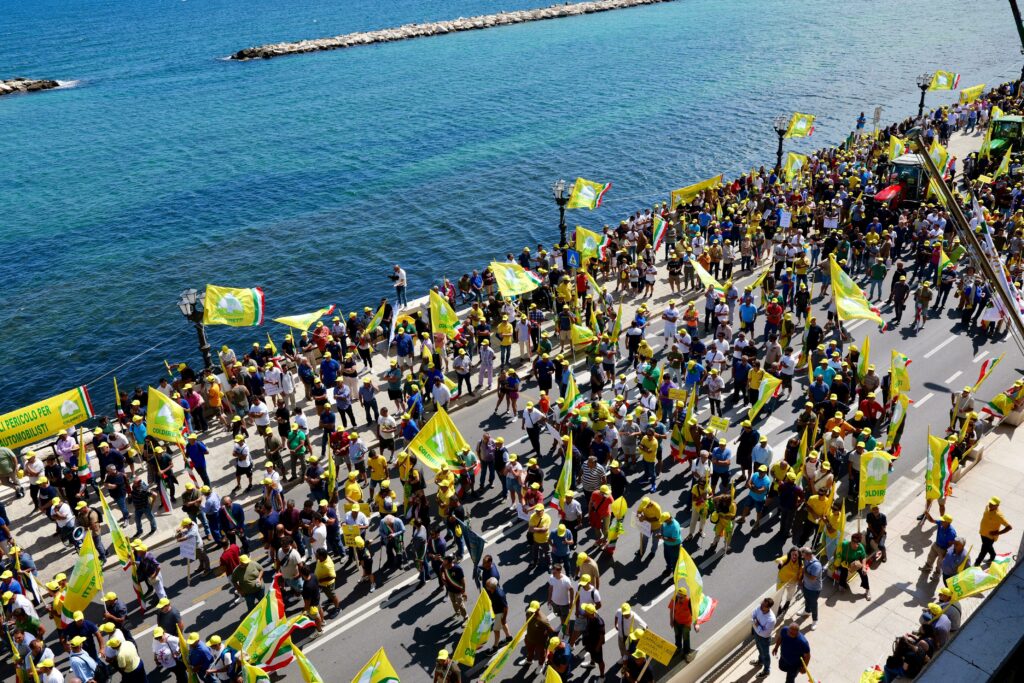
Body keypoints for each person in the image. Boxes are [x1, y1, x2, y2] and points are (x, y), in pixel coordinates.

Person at [976, 496, 1012, 566]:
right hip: (983, 533)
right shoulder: (987, 507)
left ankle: (977, 563)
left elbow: (1009, 527)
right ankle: (993, 556)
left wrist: (997, 533)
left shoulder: (999, 516)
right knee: (988, 547)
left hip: (990, 537)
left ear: (997, 505)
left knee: (983, 551)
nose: (990, 505)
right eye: (990, 503)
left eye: (993, 504)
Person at [668, 585, 698, 662]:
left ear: (685, 596)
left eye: (681, 597)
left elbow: (694, 614)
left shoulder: (689, 602)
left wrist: (696, 624)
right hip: (677, 622)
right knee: (677, 636)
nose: (679, 599)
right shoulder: (675, 599)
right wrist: (671, 620)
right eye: (678, 596)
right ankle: (678, 648)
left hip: (686, 624)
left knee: (686, 638)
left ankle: (686, 653)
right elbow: (671, 610)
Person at [750, 598, 777, 678]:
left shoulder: (771, 619)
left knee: (766, 655)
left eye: (764, 606)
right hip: (756, 634)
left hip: (764, 638)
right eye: (762, 604)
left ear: (769, 608)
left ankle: (766, 670)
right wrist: (758, 626)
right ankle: (760, 661)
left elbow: (765, 633)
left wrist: (756, 623)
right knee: (758, 648)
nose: (761, 606)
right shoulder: (760, 607)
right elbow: (753, 615)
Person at [800, 546, 822, 629]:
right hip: (806, 586)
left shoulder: (816, 565)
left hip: (814, 589)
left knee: (813, 604)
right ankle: (807, 611)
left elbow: (813, 578)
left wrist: (804, 572)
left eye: (803, 556)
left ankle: (815, 620)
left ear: (807, 555)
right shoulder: (806, 560)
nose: (802, 558)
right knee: (807, 600)